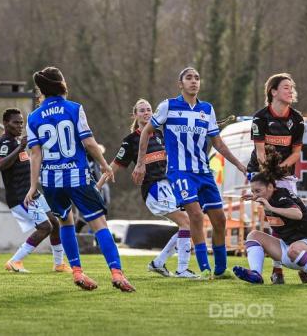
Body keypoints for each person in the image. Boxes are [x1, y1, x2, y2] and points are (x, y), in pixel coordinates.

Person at [23, 66, 134, 292]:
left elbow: (35, 154)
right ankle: (116, 273)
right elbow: (89, 142)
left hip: (51, 182)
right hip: (77, 177)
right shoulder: (74, 109)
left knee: (66, 222)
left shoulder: (33, 117)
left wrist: (33, 186)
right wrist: (104, 165)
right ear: (61, 84)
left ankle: (77, 272)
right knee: (99, 223)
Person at [133, 67, 247, 279]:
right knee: (194, 215)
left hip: (203, 172)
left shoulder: (207, 109)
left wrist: (238, 164)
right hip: (180, 172)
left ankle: (221, 270)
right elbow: (146, 131)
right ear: (180, 84)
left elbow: (218, 143)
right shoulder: (168, 106)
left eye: (196, 78)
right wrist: (140, 163)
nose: (194, 81)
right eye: (189, 78)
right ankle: (204, 268)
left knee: (220, 219)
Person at [98, 98, 199, 278]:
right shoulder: (130, 141)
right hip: (154, 189)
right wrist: (97, 186)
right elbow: (113, 166)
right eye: (142, 110)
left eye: (149, 110)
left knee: (188, 223)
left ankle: (158, 263)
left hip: (170, 186)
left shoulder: (160, 134)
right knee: (186, 222)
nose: (146, 113)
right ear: (135, 115)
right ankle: (182, 269)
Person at [233, 147, 307, 286]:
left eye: (258, 191)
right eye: (253, 191)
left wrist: (271, 208)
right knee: (253, 235)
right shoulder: (269, 197)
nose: (255, 194)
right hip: (289, 248)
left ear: (270, 187)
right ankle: (256, 274)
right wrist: (258, 198)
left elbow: (297, 214)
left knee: (293, 250)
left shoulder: (282, 195)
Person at [247, 73, 307, 285]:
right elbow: (259, 152)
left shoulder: (297, 119)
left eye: (291, 87)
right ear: (273, 92)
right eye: (286, 87)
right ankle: (278, 271)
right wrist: (268, 174)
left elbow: (296, 154)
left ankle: (304, 264)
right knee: (275, 219)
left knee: (295, 217)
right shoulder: (260, 117)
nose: (290, 91)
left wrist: (279, 169)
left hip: (283, 173)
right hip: (261, 172)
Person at [0, 108, 70, 273]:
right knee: (45, 227)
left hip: (32, 193)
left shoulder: (16, 141)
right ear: (5, 123)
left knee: (55, 224)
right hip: (20, 196)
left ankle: (59, 264)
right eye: (16, 122)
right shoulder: (6, 141)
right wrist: (20, 148)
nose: (20, 125)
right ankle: (15, 261)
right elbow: (1, 165)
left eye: (21, 122)